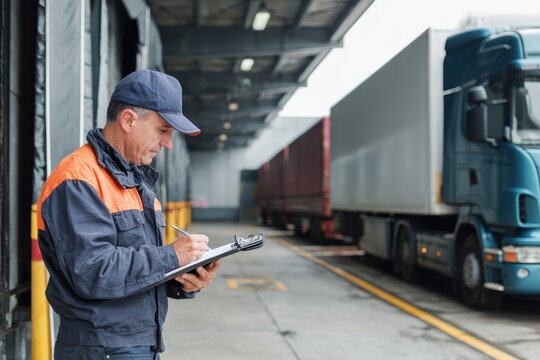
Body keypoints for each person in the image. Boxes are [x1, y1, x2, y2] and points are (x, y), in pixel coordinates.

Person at [37, 69, 221, 360]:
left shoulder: (136, 183)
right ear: (128, 120)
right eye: (163, 130)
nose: (168, 143)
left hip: (139, 344)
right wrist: (171, 257)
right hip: (101, 349)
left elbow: (132, 269)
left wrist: (182, 278)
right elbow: (93, 271)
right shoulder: (78, 179)